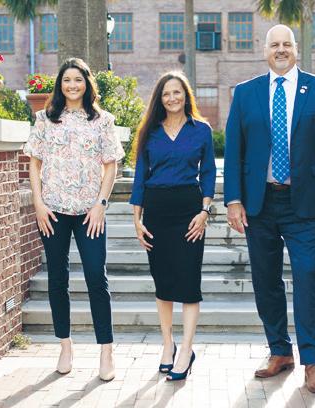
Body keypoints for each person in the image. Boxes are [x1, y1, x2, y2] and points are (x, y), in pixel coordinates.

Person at [223, 25, 315, 393]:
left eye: (286, 44)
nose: (280, 50)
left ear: (296, 49)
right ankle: (279, 351)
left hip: (305, 204)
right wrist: (233, 199)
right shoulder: (245, 93)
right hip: (259, 203)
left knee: (307, 276)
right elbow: (234, 149)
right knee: (265, 279)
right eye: (274, 44)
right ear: (265, 50)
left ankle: (313, 362)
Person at [24, 58, 124, 381]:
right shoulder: (45, 119)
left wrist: (101, 204)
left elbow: (111, 165)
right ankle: (65, 346)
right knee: (58, 279)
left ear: (87, 83)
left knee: (96, 276)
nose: (72, 85)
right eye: (67, 80)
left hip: (89, 212)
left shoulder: (103, 121)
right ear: (60, 84)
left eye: (78, 80)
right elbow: (35, 163)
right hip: (52, 211)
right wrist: (38, 203)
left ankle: (106, 350)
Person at [130, 71, 216, 382]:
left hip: (189, 212)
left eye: (177, 92)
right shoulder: (150, 131)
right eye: (166, 93)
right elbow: (140, 177)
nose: (172, 98)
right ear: (159, 99)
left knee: (189, 283)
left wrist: (204, 211)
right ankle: (168, 345)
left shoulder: (201, 130)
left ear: (185, 95)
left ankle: (186, 350)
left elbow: (208, 173)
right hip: (156, 212)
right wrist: (136, 220)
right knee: (164, 284)